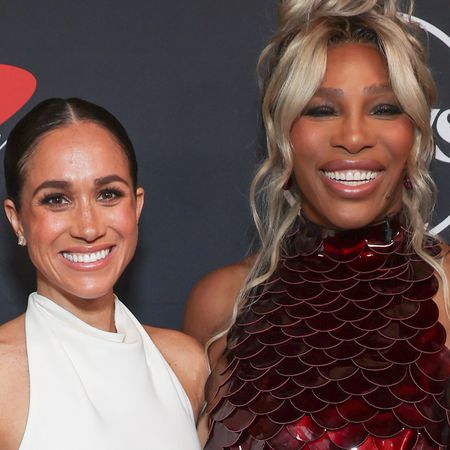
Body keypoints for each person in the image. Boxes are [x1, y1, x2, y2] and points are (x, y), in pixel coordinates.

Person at [183, 0, 450, 448]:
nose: (353, 136)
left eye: (384, 109)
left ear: (416, 136)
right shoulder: (219, 302)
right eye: (322, 109)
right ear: (283, 135)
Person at [0, 98, 207, 450]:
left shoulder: (186, 364)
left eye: (108, 194)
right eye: (56, 199)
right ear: (17, 219)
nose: (88, 227)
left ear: (136, 206)